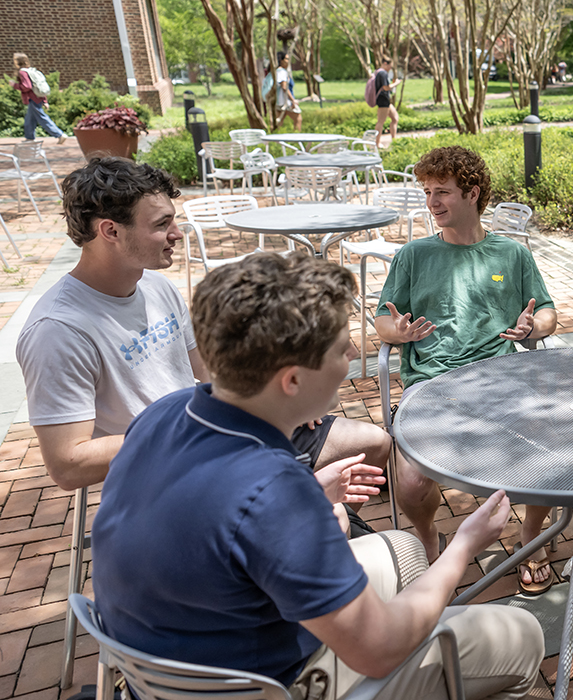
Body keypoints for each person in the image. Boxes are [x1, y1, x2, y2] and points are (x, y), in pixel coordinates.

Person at [91, 251, 545, 700]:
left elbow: (214, 518)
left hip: (165, 669)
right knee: (522, 634)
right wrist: (465, 544)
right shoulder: (273, 493)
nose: (352, 354)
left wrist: (310, 491)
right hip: (271, 686)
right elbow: (379, 651)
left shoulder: (163, 414)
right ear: (291, 380)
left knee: (405, 548)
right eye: (339, 348)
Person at [14, 157, 432, 545]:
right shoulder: (59, 329)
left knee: (374, 443)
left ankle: (320, 535)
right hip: (173, 470)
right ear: (110, 231)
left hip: (225, 435)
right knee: (324, 522)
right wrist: (197, 426)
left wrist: (280, 404)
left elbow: (209, 371)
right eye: (162, 225)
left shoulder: (155, 286)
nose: (176, 234)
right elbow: (68, 464)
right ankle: (307, 547)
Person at [374, 145, 559, 595]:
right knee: (412, 481)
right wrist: (397, 332)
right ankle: (424, 537)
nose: (432, 203)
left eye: (443, 192)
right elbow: (382, 320)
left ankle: (532, 535)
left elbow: (549, 313)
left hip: (503, 378)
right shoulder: (413, 256)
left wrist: (534, 325)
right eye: (427, 192)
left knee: (549, 453)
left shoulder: (512, 255)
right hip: (431, 382)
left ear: (473, 193)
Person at [10, 53, 69, 143]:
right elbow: (38, 85)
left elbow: (27, 86)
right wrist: (44, 100)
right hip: (37, 97)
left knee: (42, 118)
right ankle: (29, 137)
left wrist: (14, 85)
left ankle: (59, 134)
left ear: (17, 62)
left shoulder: (22, 72)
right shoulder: (30, 70)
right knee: (29, 119)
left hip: (32, 98)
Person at [373, 57, 403, 149]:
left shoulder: (378, 72)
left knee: (395, 118)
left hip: (386, 100)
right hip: (383, 100)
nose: (390, 68)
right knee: (380, 122)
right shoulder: (382, 73)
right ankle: (377, 143)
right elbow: (386, 87)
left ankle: (394, 141)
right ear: (385, 63)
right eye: (390, 65)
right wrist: (396, 83)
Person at [273, 51, 302, 131]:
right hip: (285, 102)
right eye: (286, 59)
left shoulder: (276, 71)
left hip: (278, 101)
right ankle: (296, 139)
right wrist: (292, 100)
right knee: (298, 119)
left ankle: (276, 139)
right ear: (281, 60)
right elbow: (284, 87)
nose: (288, 61)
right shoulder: (281, 72)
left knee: (279, 123)